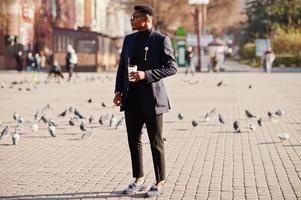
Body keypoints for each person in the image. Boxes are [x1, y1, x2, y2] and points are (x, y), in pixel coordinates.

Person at [113, 4, 177, 198]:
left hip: (153, 99)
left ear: (146, 19)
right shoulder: (129, 39)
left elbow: (172, 67)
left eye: (134, 17)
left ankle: (159, 182)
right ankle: (138, 179)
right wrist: (118, 91)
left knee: (155, 142)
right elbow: (122, 68)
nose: (131, 20)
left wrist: (146, 74)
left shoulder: (161, 40)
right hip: (131, 98)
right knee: (134, 140)